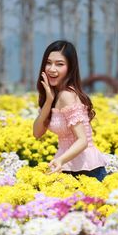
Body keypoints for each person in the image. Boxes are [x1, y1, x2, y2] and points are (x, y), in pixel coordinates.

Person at [33, 40, 108, 182]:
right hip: (65, 166)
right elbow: (37, 133)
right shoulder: (52, 96)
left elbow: (83, 140)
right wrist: (48, 101)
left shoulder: (67, 95)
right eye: (48, 63)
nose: (52, 69)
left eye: (59, 64)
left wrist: (61, 160)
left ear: (70, 68)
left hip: (86, 169)